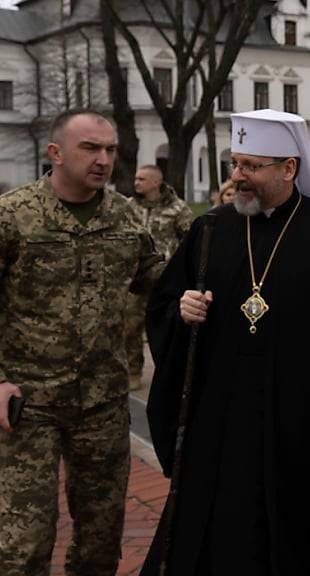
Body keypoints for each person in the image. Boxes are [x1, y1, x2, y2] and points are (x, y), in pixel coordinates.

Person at [141, 109, 310, 576]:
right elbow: (163, 306)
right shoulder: (211, 229)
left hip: (295, 430)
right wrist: (181, 312)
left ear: (288, 168)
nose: (238, 177)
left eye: (251, 167)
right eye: (235, 164)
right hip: (216, 423)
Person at [0, 109, 162, 576]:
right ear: (56, 153)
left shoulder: (127, 218)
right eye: (90, 148)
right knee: (23, 544)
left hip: (103, 403)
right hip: (29, 405)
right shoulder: (15, 216)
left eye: (110, 149)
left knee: (99, 540)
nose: (104, 160)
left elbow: (163, 283)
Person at [125, 165, 194, 389]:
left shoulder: (177, 208)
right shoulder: (129, 207)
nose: (136, 183)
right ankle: (133, 371)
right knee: (130, 326)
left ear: (156, 182)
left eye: (142, 179)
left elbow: (190, 239)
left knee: (167, 326)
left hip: (166, 279)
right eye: (136, 178)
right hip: (135, 278)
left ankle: (169, 372)